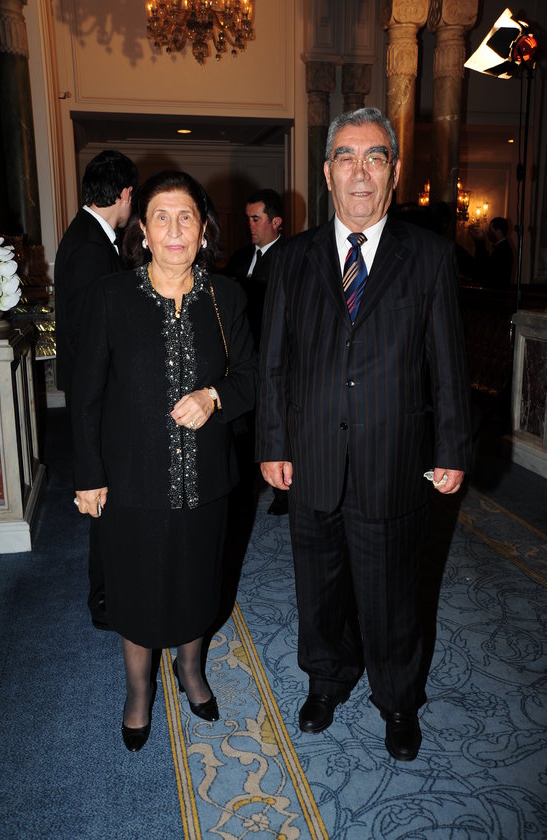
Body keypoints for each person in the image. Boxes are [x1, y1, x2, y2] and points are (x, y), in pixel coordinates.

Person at [256, 107, 472, 761]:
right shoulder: (291, 259)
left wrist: (452, 448)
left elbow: (447, 364)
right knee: (318, 589)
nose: (359, 171)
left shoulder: (429, 257)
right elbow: (273, 363)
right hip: (311, 458)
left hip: (394, 461)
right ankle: (326, 681)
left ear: (393, 172)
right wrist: (272, 443)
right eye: (345, 157)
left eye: (374, 157)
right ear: (326, 172)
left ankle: (398, 700)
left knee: (393, 596)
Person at [70, 170, 256, 752]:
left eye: (186, 218)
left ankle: (191, 669)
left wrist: (213, 397)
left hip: (207, 480)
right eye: (161, 218)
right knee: (135, 588)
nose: (174, 230)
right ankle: (138, 690)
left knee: (199, 583)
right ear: (144, 232)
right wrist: (89, 474)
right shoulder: (111, 297)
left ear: (204, 231)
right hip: (130, 481)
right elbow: (86, 395)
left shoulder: (227, 297)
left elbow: (251, 378)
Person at [54, 150, 138, 631]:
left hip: (93, 388)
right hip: (97, 392)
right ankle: (103, 599)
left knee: (106, 492)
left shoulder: (87, 235)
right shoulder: (90, 246)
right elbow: (89, 334)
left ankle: (108, 591)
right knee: (101, 492)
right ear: (125, 193)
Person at [222, 189, 288, 515]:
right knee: (244, 424)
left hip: (274, 356)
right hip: (241, 357)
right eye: (248, 218)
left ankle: (283, 493)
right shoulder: (239, 258)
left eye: (256, 218)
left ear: (276, 221)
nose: (250, 225)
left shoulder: (290, 258)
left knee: (274, 423)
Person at [470, 216, 513, 287]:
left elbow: (486, 270)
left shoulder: (503, 250)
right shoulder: (502, 247)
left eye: (490, 230)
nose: (488, 233)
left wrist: (480, 242)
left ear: (499, 231)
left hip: (496, 291)